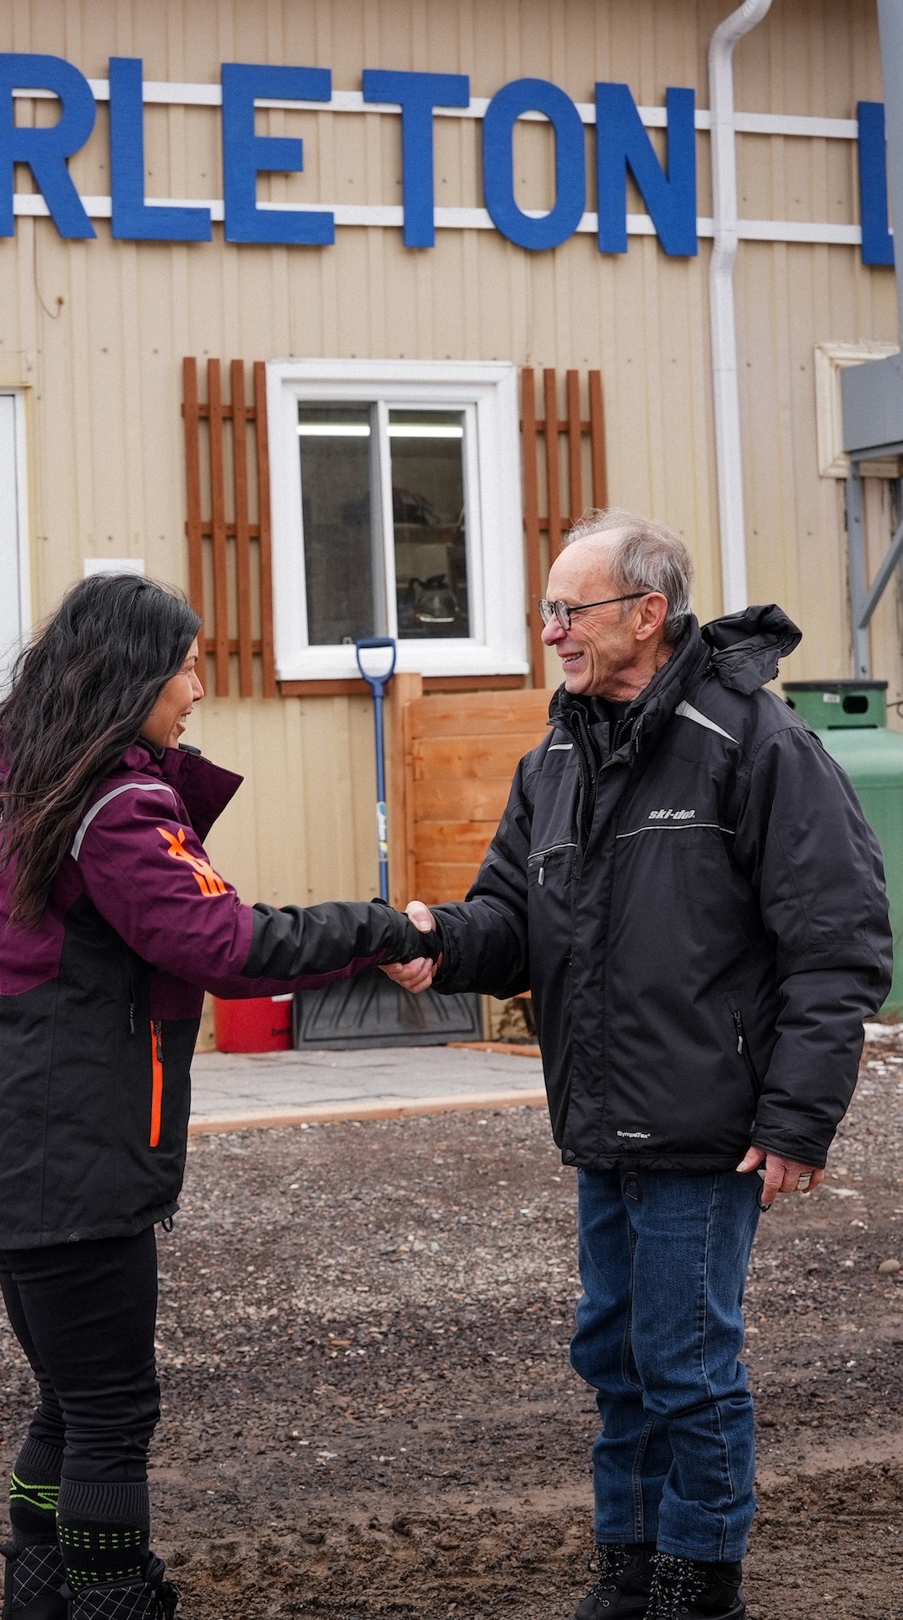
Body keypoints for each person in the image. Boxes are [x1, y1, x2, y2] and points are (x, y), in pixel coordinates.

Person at [384, 510, 892, 1620]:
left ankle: (698, 1586)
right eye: (547, 610)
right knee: (613, 1360)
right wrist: (438, 940)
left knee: (684, 1366)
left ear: (647, 616)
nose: (552, 630)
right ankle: (628, 1573)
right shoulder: (555, 756)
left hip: (706, 1123)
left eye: (572, 609)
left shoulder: (751, 742)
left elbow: (839, 941)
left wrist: (798, 1118)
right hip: (600, 1117)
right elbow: (510, 917)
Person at [0, 574, 438, 1620]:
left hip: (4, 1146)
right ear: (130, 675)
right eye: (188, 663)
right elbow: (225, 945)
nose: (198, 687)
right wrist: (380, 928)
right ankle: (113, 1598)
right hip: (72, 1151)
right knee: (111, 1408)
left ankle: (42, 1590)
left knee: (70, 1400)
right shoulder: (108, 806)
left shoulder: (12, 784)